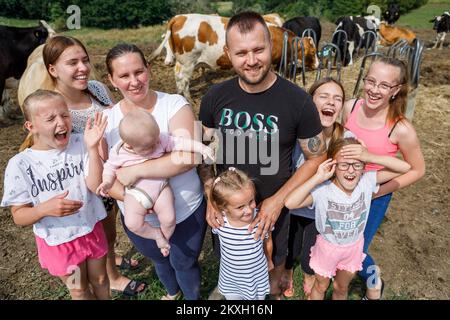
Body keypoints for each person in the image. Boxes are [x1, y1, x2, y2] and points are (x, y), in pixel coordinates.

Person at [199, 11, 326, 299]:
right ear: (228, 53)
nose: (252, 60)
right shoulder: (213, 97)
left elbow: (316, 157)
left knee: (272, 278)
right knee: (232, 266)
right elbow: (203, 151)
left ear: (271, 45)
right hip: (229, 211)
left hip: (274, 214)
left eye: (258, 49)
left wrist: (276, 201)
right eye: (241, 52)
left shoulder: (299, 101)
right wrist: (210, 195)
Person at [37, 35, 144, 296]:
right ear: (53, 69)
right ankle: (113, 276)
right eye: (72, 63)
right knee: (100, 233)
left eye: (84, 60)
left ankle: (110, 263)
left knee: (111, 228)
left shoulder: (96, 88)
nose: (83, 68)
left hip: (112, 169)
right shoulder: (55, 109)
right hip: (87, 183)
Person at [102, 43, 207, 300]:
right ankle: (173, 293)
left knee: (184, 262)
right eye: (124, 76)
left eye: (139, 72)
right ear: (112, 80)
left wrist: (138, 171)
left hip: (184, 211)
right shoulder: (108, 122)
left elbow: (188, 157)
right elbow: (108, 175)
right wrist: (140, 202)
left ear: (149, 69)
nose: (134, 81)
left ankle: (191, 301)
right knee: (159, 261)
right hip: (140, 218)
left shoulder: (174, 105)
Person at [1, 90, 109, 299]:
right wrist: (43, 209)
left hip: (91, 227)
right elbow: (18, 216)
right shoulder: (20, 165)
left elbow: (96, 185)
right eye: (50, 118)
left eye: (65, 115)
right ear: (31, 127)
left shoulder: (81, 144)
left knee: (101, 279)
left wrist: (93, 149)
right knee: (79, 289)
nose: (61, 123)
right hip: (59, 243)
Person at [285, 137, 411, 300]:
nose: (350, 170)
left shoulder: (366, 181)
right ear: (333, 166)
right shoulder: (323, 190)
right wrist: (317, 177)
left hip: (352, 248)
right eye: (344, 165)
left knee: (341, 287)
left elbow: (405, 167)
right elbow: (290, 202)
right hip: (327, 249)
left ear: (363, 166)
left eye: (357, 164)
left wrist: (370, 156)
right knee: (321, 286)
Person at [342, 57, 425, 299]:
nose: (374, 90)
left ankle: (373, 281)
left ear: (396, 90)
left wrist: (379, 190)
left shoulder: (401, 128)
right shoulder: (350, 107)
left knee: (356, 248)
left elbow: (417, 169)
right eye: (371, 81)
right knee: (338, 240)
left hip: (374, 195)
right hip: (342, 187)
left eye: (384, 85)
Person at [97, 108, 214, 256]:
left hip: (160, 188)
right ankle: (156, 235)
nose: (155, 146)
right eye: (148, 147)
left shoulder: (159, 140)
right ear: (129, 145)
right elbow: (109, 168)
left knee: (169, 218)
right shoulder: (118, 152)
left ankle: (164, 240)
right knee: (132, 223)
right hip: (135, 192)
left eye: (156, 140)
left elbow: (181, 143)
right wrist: (107, 183)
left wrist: (202, 148)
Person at [283, 77, 351, 299]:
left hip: (321, 211)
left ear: (341, 106)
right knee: (291, 248)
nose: (330, 101)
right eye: (323, 96)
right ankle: (287, 271)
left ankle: (308, 273)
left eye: (337, 98)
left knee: (310, 255)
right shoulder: (294, 135)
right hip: (293, 205)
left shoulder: (346, 138)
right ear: (310, 101)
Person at [209, 167, 270, 300]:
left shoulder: (260, 219)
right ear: (223, 207)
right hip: (231, 279)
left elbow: (267, 241)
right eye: (240, 207)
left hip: (255, 277)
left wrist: (269, 260)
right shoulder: (220, 222)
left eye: (251, 201)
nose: (248, 210)